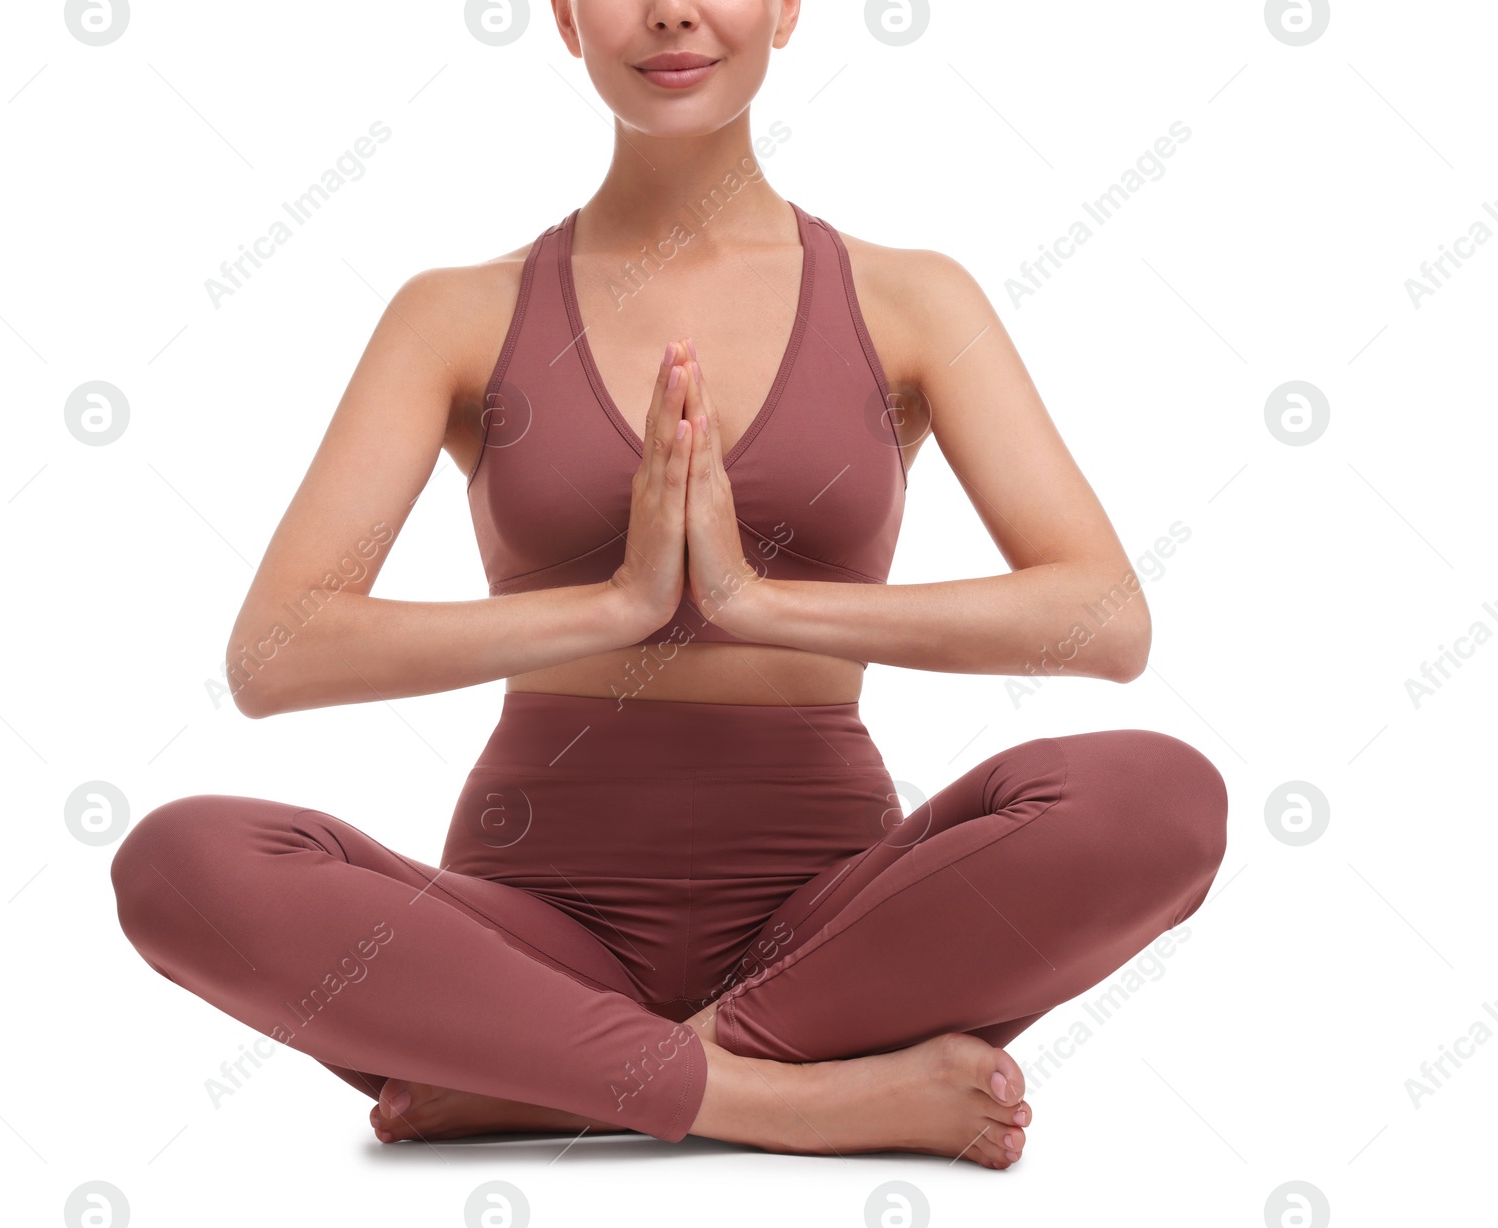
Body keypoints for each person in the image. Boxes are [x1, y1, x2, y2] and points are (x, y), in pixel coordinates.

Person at [109, 0, 1227, 1168]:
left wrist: (754, 602)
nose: (671, 12)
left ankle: (557, 1082)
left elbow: (1105, 617)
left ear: (788, 10)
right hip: (528, 941)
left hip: (836, 937)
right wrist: (616, 606)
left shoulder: (911, 299)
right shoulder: (454, 313)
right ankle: (791, 1100)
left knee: (1161, 796)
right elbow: (275, 654)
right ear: (562, 16)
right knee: (181, 862)